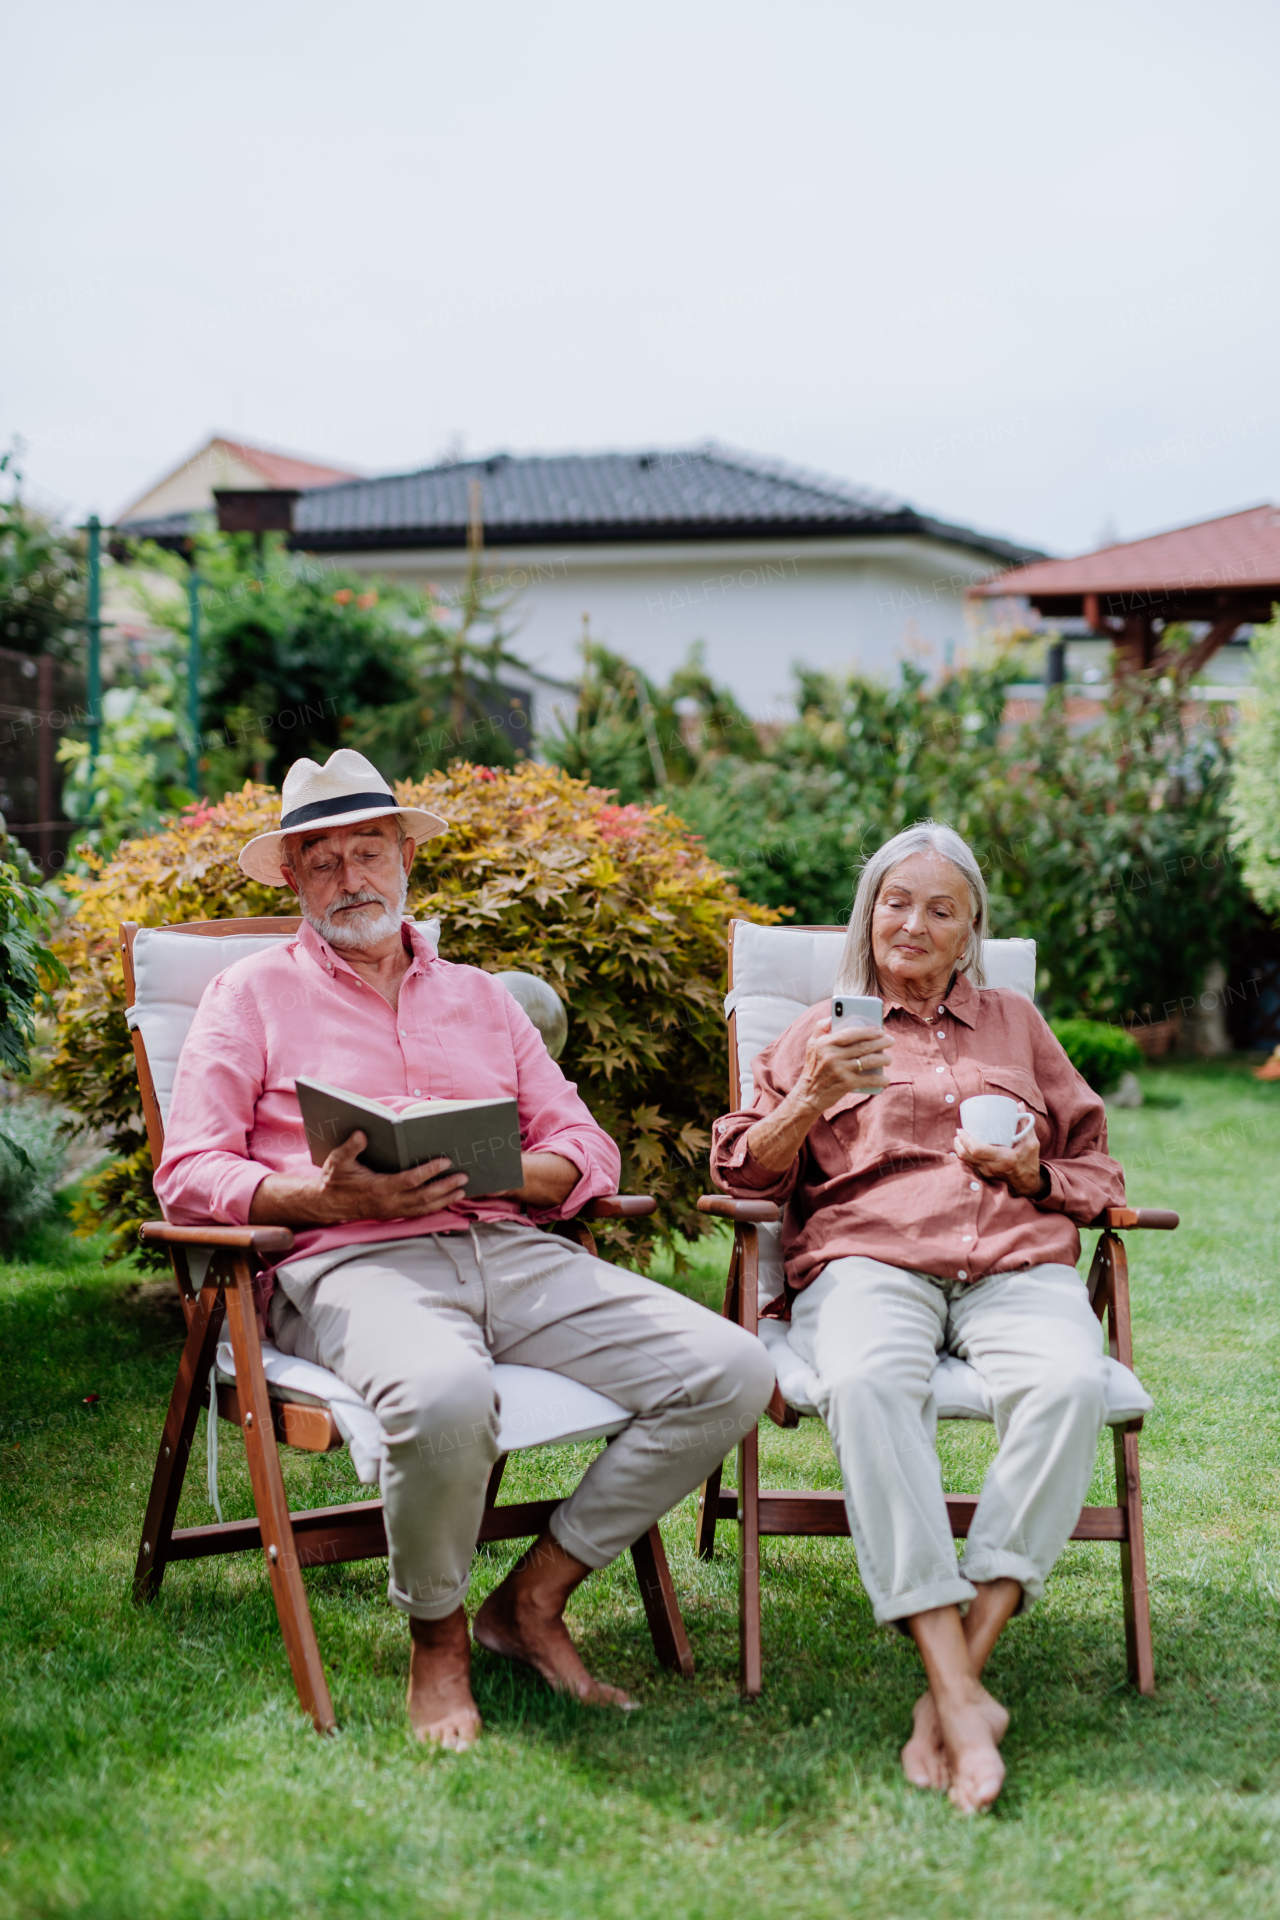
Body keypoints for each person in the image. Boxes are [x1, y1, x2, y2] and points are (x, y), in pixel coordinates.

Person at [155, 749, 774, 1751]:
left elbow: (587, 1151)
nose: (350, 877)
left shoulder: (483, 1000)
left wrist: (505, 1172)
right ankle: (436, 1634)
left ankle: (531, 1599)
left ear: (405, 859)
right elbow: (188, 1174)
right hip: (350, 1262)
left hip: (512, 1248)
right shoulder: (248, 998)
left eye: (369, 851)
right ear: (291, 879)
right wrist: (312, 1191)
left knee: (731, 1370)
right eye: (321, 860)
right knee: (444, 1397)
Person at [709, 820, 1126, 1813]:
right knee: (861, 1382)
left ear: (968, 927)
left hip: (1012, 1262)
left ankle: (953, 1685)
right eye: (895, 902)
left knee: (1069, 1382)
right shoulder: (820, 1027)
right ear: (868, 917)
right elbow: (738, 1169)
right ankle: (956, 1687)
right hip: (869, 1261)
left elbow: (1094, 1164)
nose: (914, 922)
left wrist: (1033, 1169)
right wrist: (807, 1099)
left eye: (940, 908)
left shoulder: (1015, 1023)